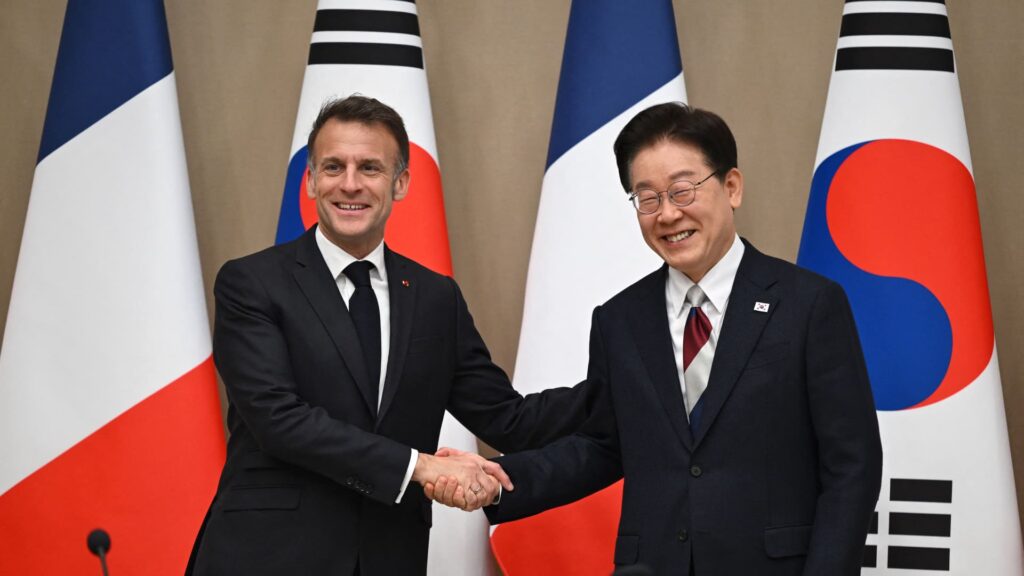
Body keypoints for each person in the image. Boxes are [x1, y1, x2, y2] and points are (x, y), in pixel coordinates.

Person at [428, 103, 882, 575]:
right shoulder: (620, 320)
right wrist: (500, 481)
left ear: (731, 187)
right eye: (647, 198)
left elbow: (853, 465)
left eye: (682, 191)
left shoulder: (808, 304)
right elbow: (603, 446)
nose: (667, 214)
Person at [186, 95, 591, 575]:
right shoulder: (252, 283)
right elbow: (278, 420)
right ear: (310, 180)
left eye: (370, 168)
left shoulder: (436, 298)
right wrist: (421, 467)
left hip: (390, 557)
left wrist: (625, 384)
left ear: (400, 183)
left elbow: (510, 419)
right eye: (333, 167)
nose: (350, 184)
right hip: (268, 557)